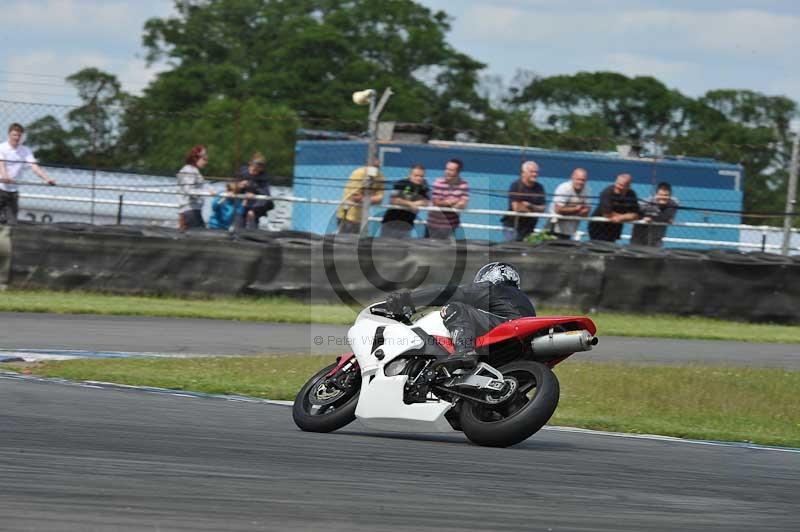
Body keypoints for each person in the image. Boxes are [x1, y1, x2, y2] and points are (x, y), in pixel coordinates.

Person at [385, 262, 535, 370]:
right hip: (521, 346)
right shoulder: (522, 299)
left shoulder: (492, 288)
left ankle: (464, 351)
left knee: (455, 308)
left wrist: (409, 298)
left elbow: (450, 293)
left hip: (506, 326)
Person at [0, 123, 56, 225]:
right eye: (14, 135)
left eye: (19, 135)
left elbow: (34, 167)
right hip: (0, 188)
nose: (16, 138)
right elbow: (1, 165)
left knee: (12, 223)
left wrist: (47, 179)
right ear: (9, 135)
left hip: (13, 192)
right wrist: (5, 176)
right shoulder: (2, 148)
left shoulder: (25, 151)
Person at [335, 157, 385, 234]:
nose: (376, 170)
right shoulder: (359, 174)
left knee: (359, 243)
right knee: (345, 242)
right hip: (348, 216)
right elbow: (355, 197)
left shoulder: (380, 177)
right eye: (373, 167)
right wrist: (371, 198)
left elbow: (380, 199)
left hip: (362, 218)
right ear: (367, 165)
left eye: (378, 167)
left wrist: (365, 198)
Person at [380, 164, 430, 238]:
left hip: (407, 227)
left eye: (421, 176)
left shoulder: (423, 187)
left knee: (403, 248)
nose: (419, 178)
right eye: (416, 175)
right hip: (390, 224)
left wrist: (415, 203)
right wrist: (409, 204)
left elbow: (426, 202)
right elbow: (392, 200)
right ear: (410, 175)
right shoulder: (401, 183)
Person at [587, 173, 640, 242]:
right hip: (598, 227)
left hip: (615, 228)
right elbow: (607, 214)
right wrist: (627, 216)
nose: (617, 187)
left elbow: (637, 214)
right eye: (617, 183)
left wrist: (621, 218)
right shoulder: (607, 192)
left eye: (621, 185)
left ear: (628, 186)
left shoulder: (631, 195)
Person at [501, 160, 546, 241]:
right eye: (532, 172)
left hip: (529, 227)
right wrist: (534, 210)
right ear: (523, 173)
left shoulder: (539, 188)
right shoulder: (516, 186)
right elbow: (517, 208)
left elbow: (542, 209)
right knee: (513, 248)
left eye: (536, 172)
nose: (535, 174)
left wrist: (529, 205)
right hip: (513, 225)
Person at [426, 159, 469, 240]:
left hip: (451, 226)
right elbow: (436, 202)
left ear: (458, 172)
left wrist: (459, 204)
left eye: (451, 170)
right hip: (433, 224)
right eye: (446, 169)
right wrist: (453, 202)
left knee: (447, 251)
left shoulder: (464, 184)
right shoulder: (438, 182)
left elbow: (463, 203)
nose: (447, 172)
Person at [630, 182, 679, 247]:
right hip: (639, 237)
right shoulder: (646, 203)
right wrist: (642, 218)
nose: (663, 197)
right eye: (661, 195)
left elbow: (670, 217)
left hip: (657, 238)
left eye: (666, 195)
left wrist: (670, 219)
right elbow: (633, 212)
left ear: (670, 195)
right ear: (656, 194)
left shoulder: (674, 204)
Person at [547, 168, 591, 240]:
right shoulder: (564, 188)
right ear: (572, 178)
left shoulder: (587, 190)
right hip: (555, 227)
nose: (580, 182)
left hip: (570, 229)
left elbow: (586, 212)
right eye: (578, 179)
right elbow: (558, 209)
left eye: (583, 180)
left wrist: (567, 211)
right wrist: (576, 209)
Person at [177, 145, 212, 229]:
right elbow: (189, 191)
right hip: (190, 211)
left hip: (194, 210)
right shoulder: (189, 170)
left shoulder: (194, 170)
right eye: (204, 158)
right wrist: (206, 193)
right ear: (196, 158)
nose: (206, 161)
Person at [237, 152, 274, 230]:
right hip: (241, 205)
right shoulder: (242, 173)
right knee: (239, 224)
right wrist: (239, 186)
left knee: (252, 222)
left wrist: (254, 209)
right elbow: (232, 188)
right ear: (250, 164)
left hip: (255, 206)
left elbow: (266, 195)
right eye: (254, 168)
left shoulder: (263, 178)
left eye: (259, 168)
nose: (255, 171)